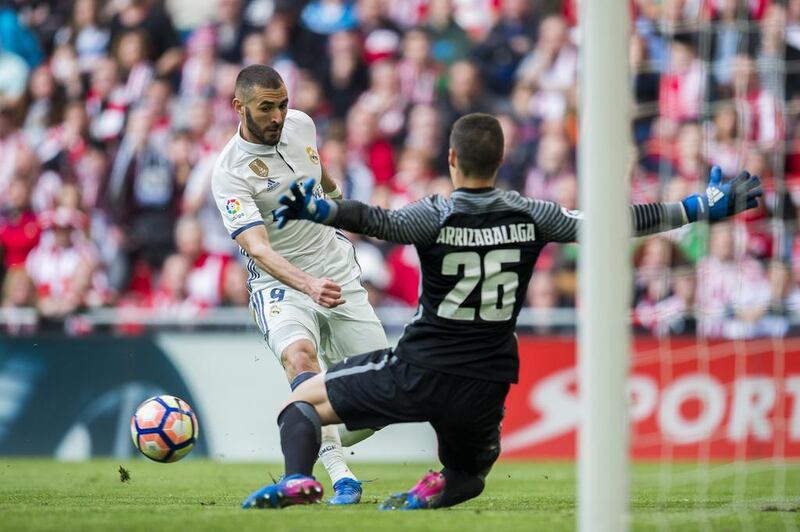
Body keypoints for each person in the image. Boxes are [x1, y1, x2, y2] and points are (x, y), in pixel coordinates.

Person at [242, 113, 763, 510]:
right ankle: (433, 491)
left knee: (300, 406)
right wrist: (698, 207)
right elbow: (611, 220)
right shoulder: (533, 214)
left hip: (418, 371)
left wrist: (320, 208)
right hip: (486, 383)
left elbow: (377, 220)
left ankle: (296, 479)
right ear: (501, 159)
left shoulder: (435, 214)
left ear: (451, 160)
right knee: (469, 475)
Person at [211, 64, 389, 505]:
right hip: (282, 283)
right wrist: (307, 285)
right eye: (266, 108)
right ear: (239, 107)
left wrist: (337, 197)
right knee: (299, 357)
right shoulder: (229, 172)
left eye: (283, 104)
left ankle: (311, 433)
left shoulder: (301, 125)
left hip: (337, 271)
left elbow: (317, 170)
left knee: (381, 397)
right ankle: (320, 475)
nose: (277, 116)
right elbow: (258, 249)